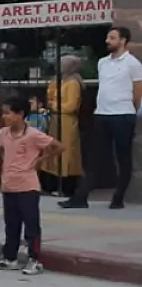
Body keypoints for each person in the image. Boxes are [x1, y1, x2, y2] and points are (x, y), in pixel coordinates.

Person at [61, 26, 142, 209]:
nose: (108, 41)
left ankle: (118, 198)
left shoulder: (133, 64)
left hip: (123, 115)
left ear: (123, 40)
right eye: (108, 37)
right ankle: (80, 197)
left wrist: (132, 108)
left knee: (123, 157)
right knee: (94, 157)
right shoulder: (102, 63)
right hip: (102, 114)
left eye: (112, 38)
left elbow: (138, 90)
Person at [0, 96, 62, 274]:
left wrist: (40, 160)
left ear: (20, 114)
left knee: (31, 225)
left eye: (8, 113)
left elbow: (58, 146)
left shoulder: (33, 134)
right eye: (3, 113)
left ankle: (35, 259)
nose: (4, 117)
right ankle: (10, 258)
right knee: (11, 224)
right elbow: (3, 151)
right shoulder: (3, 133)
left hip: (28, 186)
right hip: (9, 185)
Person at [42, 55, 83, 198]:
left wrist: (53, 105)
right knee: (52, 149)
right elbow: (49, 97)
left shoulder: (73, 83)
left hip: (66, 120)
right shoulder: (57, 81)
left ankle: (67, 186)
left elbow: (71, 106)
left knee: (67, 152)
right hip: (55, 119)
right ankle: (51, 184)